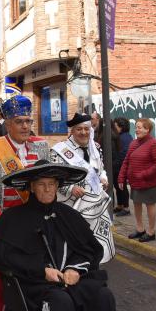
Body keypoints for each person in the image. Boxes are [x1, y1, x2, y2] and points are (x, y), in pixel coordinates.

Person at [0, 160, 120, 311]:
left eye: (52, 183)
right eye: (41, 184)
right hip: (34, 287)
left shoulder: (70, 215)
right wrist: (41, 270)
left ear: (58, 185)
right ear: (31, 187)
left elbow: (89, 251)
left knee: (104, 296)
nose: (47, 189)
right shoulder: (13, 218)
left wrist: (75, 270)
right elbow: (0, 256)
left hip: (72, 282)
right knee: (60, 302)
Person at [0, 95, 49, 311]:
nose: (26, 126)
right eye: (19, 121)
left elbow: (51, 181)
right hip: (3, 221)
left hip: (35, 222)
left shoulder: (41, 146)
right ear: (8, 124)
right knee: (0, 272)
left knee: (35, 271)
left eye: (28, 121)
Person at [50, 113, 115, 263]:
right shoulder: (59, 150)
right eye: (79, 129)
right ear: (72, 131)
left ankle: (94, 259)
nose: (83, 132)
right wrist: (70, 188)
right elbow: (54, 177)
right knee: (73, 238)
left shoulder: (96, 147)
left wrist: (103, 177)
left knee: (93, 236)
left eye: (86, 129)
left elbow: (101, 168)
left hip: (94, 200)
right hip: (71, 202)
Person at [118, 118, 156, 243]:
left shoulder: (155, 144)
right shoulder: (133, 143)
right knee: (136, 204)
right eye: (136, 127)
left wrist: (143, 174)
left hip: (149, 182)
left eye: (140, 127)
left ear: (147, 129)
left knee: (150, 205)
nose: (137, 130)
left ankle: (151, 231)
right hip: (135, 182)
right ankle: (140, 228)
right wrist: (121, 177)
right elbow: (126, 161)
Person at [112, 117, 133, 216]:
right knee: (117, 186)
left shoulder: (125, 137)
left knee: (122, 187)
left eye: (115, 126)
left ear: (121, 127)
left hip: (121, 166)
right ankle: (120, 205)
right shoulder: (121, 136)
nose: (114, 127)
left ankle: (126, 207)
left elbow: (123, 153)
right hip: (118, 166)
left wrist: (116, 163)